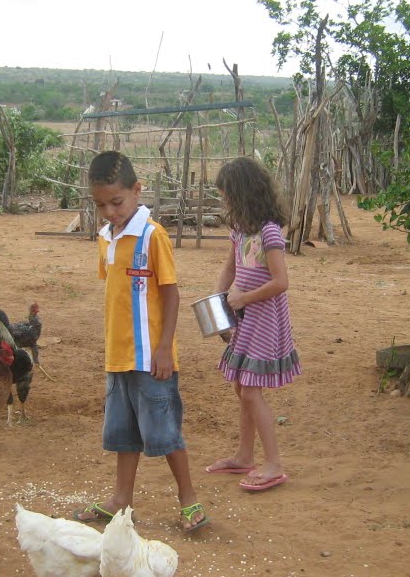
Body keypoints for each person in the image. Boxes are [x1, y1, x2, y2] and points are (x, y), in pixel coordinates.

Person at [73, 150, 209, 533]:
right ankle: (121, 499)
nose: (110, 212)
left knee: (165, 431)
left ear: (137, 190)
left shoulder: (153, 236)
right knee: (123, 432)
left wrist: (165, 347)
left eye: (116, 202)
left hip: (152, 357)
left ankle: (189, 499)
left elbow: (170, 293)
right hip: (118, 356)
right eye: (101, 205)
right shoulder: (106, 237)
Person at [204, 156, 301, 491]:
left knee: (250, 389)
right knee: (241, 388)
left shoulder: (269, 233)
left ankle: (273, 464)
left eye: (227, 196)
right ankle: (245, 456)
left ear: (243, 194)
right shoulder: (240, 231)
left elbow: (280, 282)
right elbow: (230, 269)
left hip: (265, 322)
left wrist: (242, 299)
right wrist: (218, 302)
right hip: (247, 319)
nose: (225, 202)